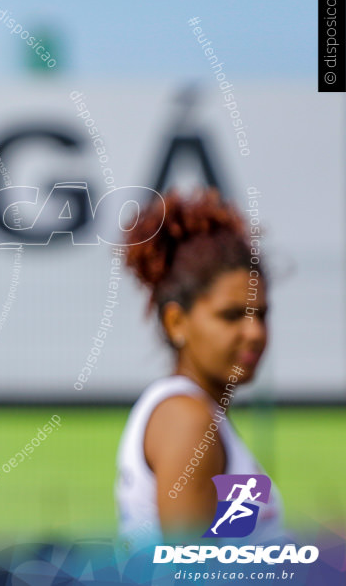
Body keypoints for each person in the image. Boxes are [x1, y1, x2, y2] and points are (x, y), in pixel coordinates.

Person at [115, 189, 284, 547]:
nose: (254, 333)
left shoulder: (200, 414)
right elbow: (190, 571)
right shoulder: (187, 419)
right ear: (177, 322)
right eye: (232, 315)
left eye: (261, 314)